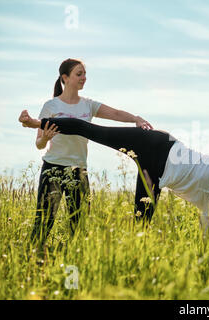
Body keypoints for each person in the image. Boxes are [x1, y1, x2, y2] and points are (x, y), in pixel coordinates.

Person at [19, 63, 209, 235]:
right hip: (156, 145)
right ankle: (35, 122)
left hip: (153, 178)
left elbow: (207, 243)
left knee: (141, 226)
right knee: (94, 131)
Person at [30, 58, 153, 247]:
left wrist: (135, 119)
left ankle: (75, 262)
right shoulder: (51, 106)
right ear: (65, 78)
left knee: (78, 226)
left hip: (78, 170)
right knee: (44, 222)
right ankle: (33, 258)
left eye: (84, 74)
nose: (84, 78)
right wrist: (45, 138)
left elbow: (115, 114)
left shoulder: (88, 105)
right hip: (52, 168)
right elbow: (39, 143)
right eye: (79, 74)